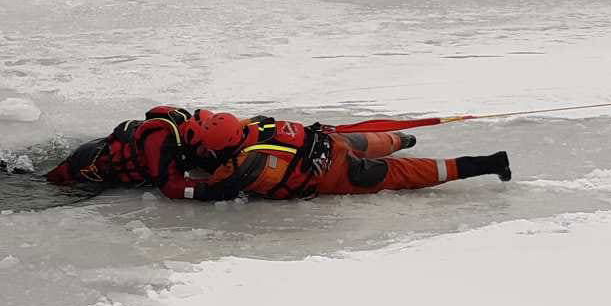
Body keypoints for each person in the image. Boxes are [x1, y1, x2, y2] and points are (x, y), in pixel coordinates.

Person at [179, 112, 511, 201]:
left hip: (338, 174)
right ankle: (403, 138)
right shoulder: (256, 126)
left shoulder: (242, 164)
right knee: (374, 140)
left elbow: (212, 190)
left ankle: (491, 162)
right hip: (331, 140)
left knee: (413, 173)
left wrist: (177, 185)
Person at [0, 106, 219, 199]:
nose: (205, 152)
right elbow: (171, 187)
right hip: (88, 165)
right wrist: (217, 188)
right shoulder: (161, 141)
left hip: (99, 150)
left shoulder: (187, 130)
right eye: (204, 147)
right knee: (40, 184)